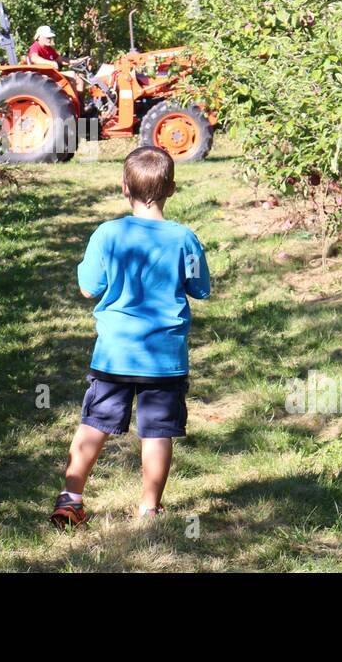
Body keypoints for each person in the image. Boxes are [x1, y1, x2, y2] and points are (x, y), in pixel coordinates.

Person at [50, 146, 211, 527]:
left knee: (94, 422)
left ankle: (71, 500)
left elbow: (89, 287)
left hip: (115, 354)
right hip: (164, 357)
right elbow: (200, 288)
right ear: (172, 188)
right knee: (157, 431)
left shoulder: (107, 234)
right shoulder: (184, 238)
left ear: (125, 188)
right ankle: (149, 507)